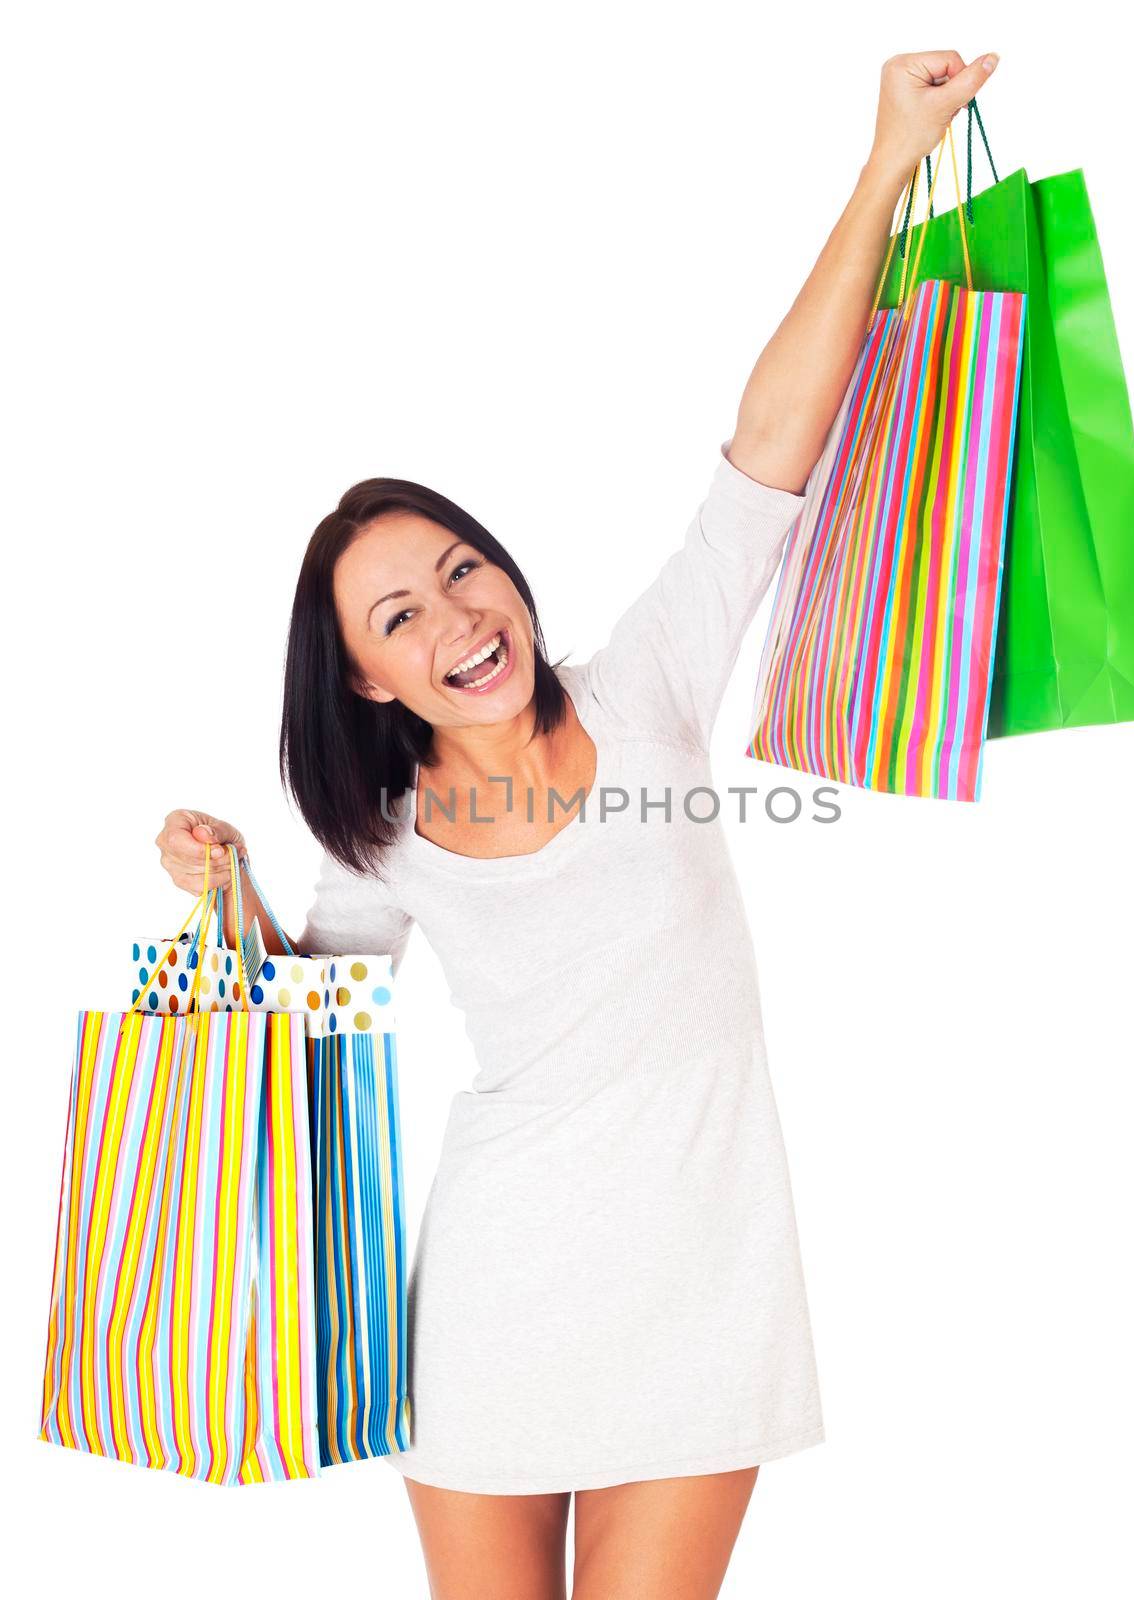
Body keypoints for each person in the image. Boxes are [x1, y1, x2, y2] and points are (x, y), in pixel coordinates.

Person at [155, 49, 1000, 1600]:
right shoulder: (383, 836)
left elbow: (769, 443)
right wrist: (228, 899)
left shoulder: (647, 688)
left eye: (462, 571)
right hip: (496, 1293)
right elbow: (307, 1028)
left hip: (702, 1278)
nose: (456, 622)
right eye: (399, 618)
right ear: (363, 674)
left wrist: (884, 162)